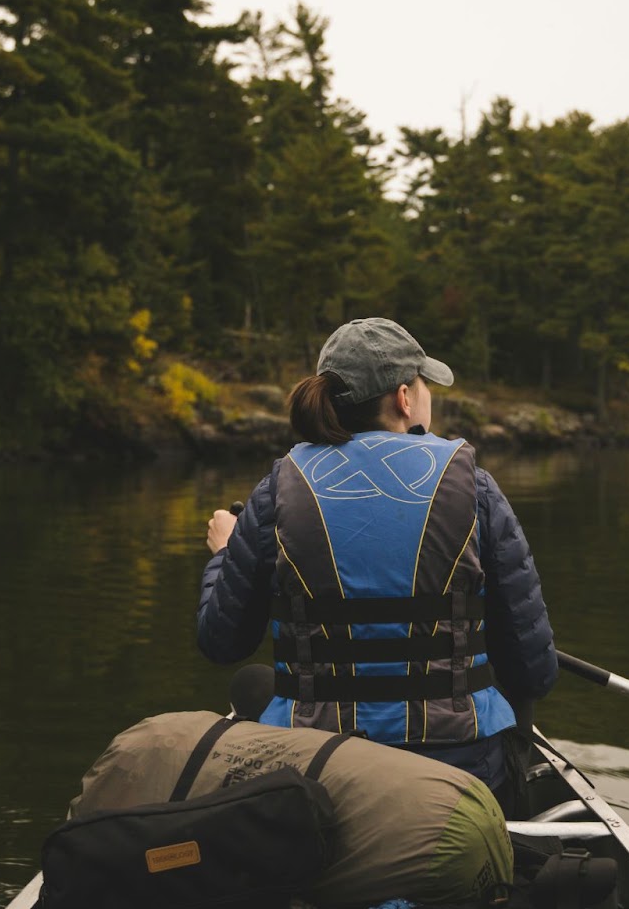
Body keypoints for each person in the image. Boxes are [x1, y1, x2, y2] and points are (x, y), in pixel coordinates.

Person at [196, 317, 557, 803]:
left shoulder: (274, 492)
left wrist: (223, 556)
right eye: (425, 383)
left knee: (253, 685)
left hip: (315, 772)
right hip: (462, 775)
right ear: (404, 398)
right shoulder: (476, 488)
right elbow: (534, 672)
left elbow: (222, 641)